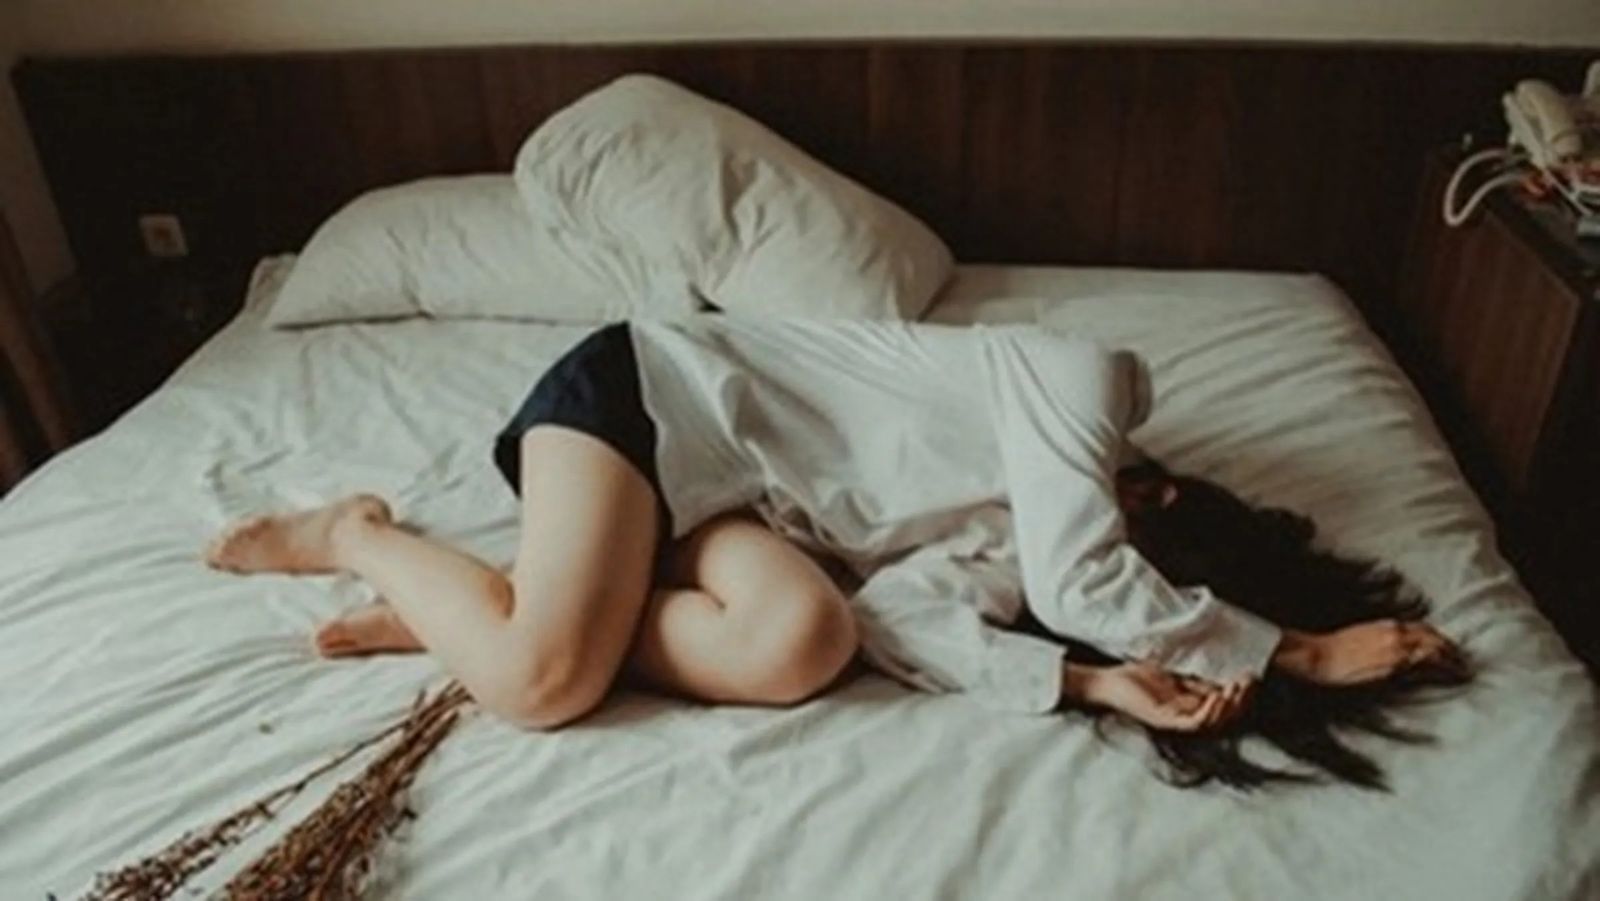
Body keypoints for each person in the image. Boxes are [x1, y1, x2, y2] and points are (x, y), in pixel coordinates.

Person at [205, 318, 1463, 747]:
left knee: (806, 639)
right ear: (1154, 493)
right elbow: (1086, 574)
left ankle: (478, 605)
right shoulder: (1080, 382)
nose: (1092, 555)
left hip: (731, 508)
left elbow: (899, 618)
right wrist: (1295, 651)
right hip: (652, 400)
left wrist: (1091, 682)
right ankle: (357, 534)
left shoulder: (1020, 543)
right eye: (1131, 551)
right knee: (543, 684)